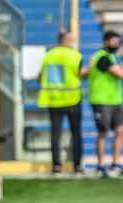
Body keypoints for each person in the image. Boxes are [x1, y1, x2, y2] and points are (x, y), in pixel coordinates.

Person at [37, 30, 85, 174]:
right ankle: (77, 166)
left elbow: (40, 76)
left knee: (55, 135)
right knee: (76, 133)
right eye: (71, 39)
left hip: (54, 99)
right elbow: (81, 74)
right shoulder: (75, 55)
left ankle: (56, 166)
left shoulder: (49, 55)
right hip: (72, 99)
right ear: (67, 40)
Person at [88, 30, 123, 178]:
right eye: (113, 42)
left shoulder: (112, 57)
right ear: (105, 42)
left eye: (117, 42)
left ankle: (115, 164)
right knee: (102, 132)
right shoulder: (101, 58)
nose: (116, 44)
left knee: (120, 131)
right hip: (101, 101)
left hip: (115, 100)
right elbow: (120, 74)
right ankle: (101, 166)